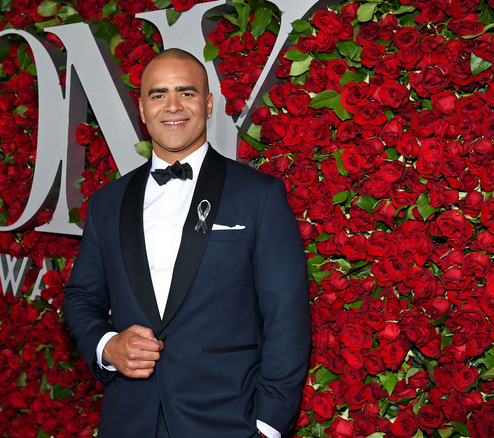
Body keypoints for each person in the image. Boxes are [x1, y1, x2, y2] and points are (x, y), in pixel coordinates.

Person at [62, 48, 310, 438]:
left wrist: (269, 423)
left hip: (228, 422)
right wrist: (106, 345)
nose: (173, 105)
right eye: (158, 94)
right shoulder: (107, 202)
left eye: (186, 92)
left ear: (208, 104)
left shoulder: (259, 196)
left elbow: (287, 316)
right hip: (128, 421)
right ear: (142, 109)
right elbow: (81, 296)